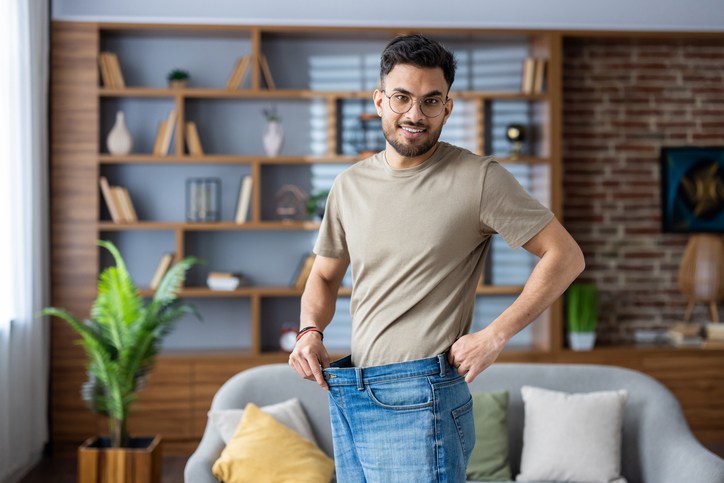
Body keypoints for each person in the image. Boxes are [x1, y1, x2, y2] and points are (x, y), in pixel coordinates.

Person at [289, 33, 585, 482]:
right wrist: (310, 331)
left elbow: (565, 256)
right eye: (402, 98)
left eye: (431, 101)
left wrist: (495, 336)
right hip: (352, 387)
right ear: (379, 100)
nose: (414, 114)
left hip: (423, 392)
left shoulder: (479, 178)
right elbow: (325, 277)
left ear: (447, 107)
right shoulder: (348, 186)